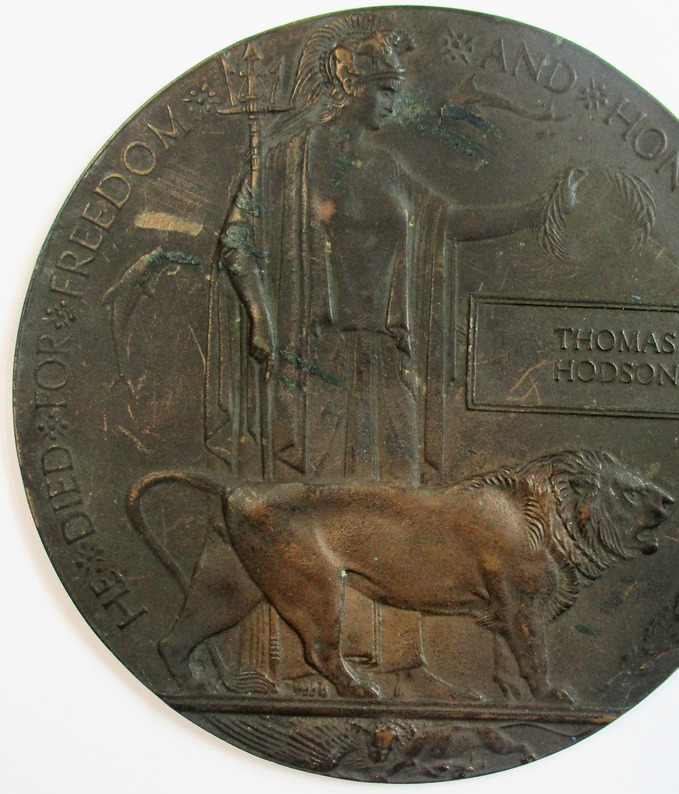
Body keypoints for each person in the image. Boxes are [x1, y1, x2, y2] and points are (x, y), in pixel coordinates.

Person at [199, 12, 542, 694]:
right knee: (317, 513)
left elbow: (447, 225)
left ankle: (399, 664)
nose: (394, 100)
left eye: (396, 89)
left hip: (386, 363)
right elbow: (236, 240)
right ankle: (308, 663)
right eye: (385, 88)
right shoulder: (285, 161)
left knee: (398, 517)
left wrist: (537, 211)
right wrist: (261, 317)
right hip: (316, 362)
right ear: (350, 86)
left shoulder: (389, 168)